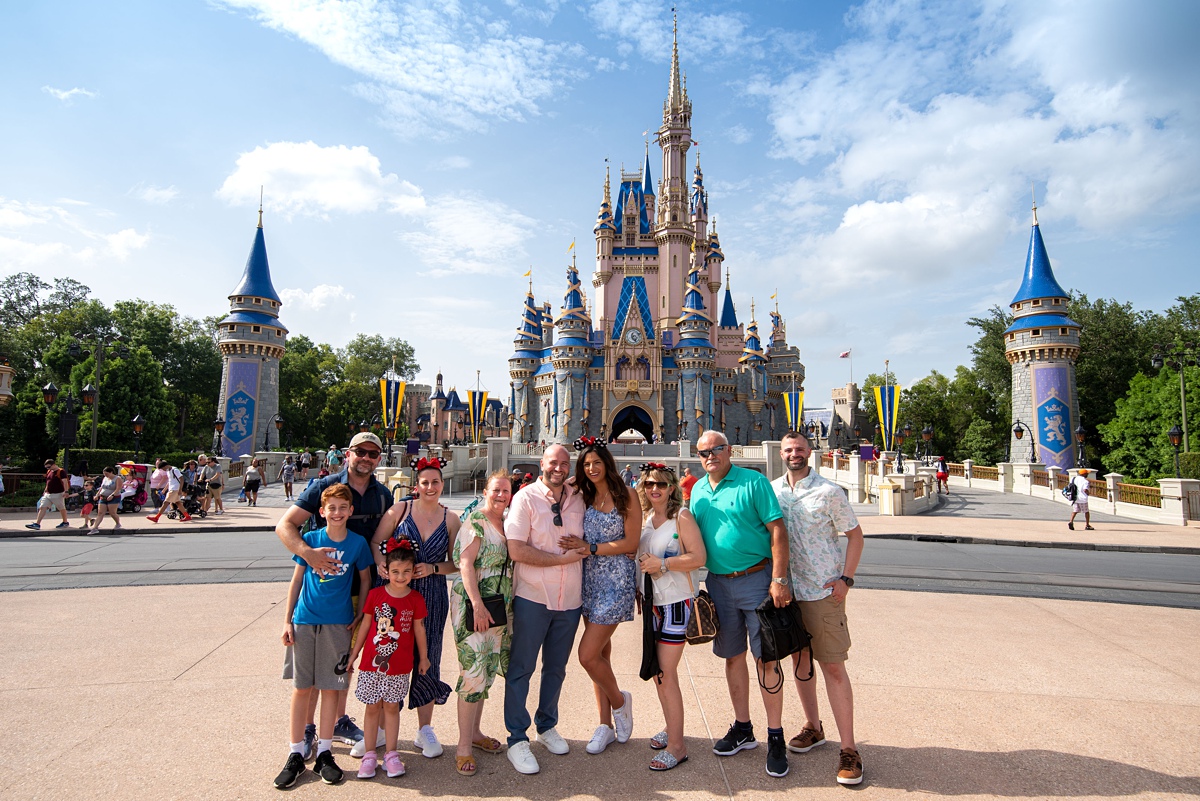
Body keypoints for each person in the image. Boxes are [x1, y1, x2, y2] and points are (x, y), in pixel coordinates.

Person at [276, 432, 395, 753]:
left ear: (379, 459)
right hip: (324, 592)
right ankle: (308, 729)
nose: (366, 458)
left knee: (343, 663)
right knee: (313, 669)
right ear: (348, 453)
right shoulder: (323, 487)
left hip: (362, 593)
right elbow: (285, 526)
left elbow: (385, 541)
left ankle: (338, 721)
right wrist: (308, 553)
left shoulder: (383, 495)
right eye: (360, 452)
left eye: (373, 453)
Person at [689, 430, 793, 778]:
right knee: (732, 658)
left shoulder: (753, 482)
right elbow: (688, 537)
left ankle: (775, 735)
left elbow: (777, 530)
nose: (710, 456)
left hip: (756, 581)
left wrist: (779, 579)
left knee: (766, 658)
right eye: (703, 452)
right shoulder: (699, 490)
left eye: (716, 449)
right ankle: (743, 727)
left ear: (729, 450)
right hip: (718, 584)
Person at [773, 432, 865, 786]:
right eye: (788, 449)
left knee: (833, 667)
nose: (794, 454)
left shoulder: (830, 491)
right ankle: (813, 726)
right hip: (788, 592)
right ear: (781, 453)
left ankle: (850, 749)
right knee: (800, 663)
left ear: (810, 452)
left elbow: (855, 535)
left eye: (799, 449)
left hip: (822, 591)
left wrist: (847, 578)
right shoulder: (774, 490)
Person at [274, 483, 374, 789]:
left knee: (332, 688)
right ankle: (295, 753)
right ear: (322, 511)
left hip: (338, 623)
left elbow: (366, 578)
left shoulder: (357, 544)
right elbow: (296, 581)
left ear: (351, 511)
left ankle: (326, 752)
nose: (338, 513)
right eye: (332, 508)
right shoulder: (311, 540)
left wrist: (360, 614)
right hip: (305, 620)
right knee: (302, 688)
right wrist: (287, 620)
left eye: (343, 508)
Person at [503, 444, 587, 775]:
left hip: (570, 601)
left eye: (565, 463)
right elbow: (517, 550)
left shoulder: (579, 497)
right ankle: (516, 737)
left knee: (556, 668)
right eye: (554, 462)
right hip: (533, 598)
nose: (559, 468)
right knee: (522, 668)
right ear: (542, 464)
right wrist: (559, 560)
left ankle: (546, 724)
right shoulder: (525, 498)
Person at [370, 455, 460, 760]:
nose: (430, 487)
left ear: (441, 484)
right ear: (416, 485)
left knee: (428, 657)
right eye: (425, 482)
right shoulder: (400, 510)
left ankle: (425, 729)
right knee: (390, 656)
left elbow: (457, 563)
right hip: (397, 596)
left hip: (432, 597)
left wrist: (434, 569)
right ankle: (381, 728)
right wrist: (383, 565)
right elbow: (377, 543)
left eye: (435, 482)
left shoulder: (451, 519)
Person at [556, 437, 639, 756]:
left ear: (609, 464)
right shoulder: (584, 496)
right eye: (586, 464)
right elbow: (563, 480)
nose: (591, 468)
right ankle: (603, 724)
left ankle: (620, 702)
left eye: (597, 463)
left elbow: (630, 543)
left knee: (587, 655)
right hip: (588, 580)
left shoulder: (627, 495)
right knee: (601, 656)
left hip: (615, 581)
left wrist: (590, 547)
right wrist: (577, 467)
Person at [635, 463, 706, 771]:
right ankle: (671, 727)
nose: (655, 489)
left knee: (664, 672)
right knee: (657, 671)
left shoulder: (682, 517)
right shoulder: (647, 519)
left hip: (677, 603)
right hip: (653, 603)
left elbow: (699, 558)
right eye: (650, 484)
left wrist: (662, 565)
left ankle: (678, 746)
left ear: (672, 488)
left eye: (661, 485)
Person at [348, 538, 430, 781]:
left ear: (413, 571)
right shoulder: (374, 595)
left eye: (406, 571)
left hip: (400, 666)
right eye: (395, 571)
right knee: (372, 707)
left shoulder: (415, 599)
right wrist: (354, 654)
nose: (400, 576)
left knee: (392, 707)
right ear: (386, 570)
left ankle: (392, 754)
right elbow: (364, 627)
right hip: (371, 665)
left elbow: (419, 630)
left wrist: (423, 658)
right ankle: (370, 754)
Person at [449, 470, 513, 776]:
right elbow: (465, 564)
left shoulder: (506, 522)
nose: (501, 495)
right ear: (485, 492)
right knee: (473, 671)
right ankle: (463, 748)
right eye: (496, 490)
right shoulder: (476, 521)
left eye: (506, 491)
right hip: (475, 606)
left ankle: (475, 734)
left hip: (498, 607)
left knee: (486, 671)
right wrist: (475, 605)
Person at [26, 459, 72, 530]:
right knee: (42, 507)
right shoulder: (49, 471)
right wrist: (45, 491)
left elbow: (65, 482)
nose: (48, 468)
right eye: (47, 467)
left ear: (53, 465)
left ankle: (65, 522)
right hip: (48, 493)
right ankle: (37, 523)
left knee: (61, 508)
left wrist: (66, 491)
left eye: (49, 467)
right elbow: (48, 482)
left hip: (58, 493)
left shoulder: (61, 471)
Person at [89, 466, 124, 534]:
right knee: (100, 513)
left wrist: (112, 495)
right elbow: (102, 487)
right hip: (103, 497)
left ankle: (118, 523)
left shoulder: (117, 478)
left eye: (107, 474)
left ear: (111, 472)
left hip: (114, 497)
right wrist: (97, 495)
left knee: (112, 512)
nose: (106, 475)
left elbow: (118, 488)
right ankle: (95, 528)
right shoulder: (105, 478)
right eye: (104, 474)